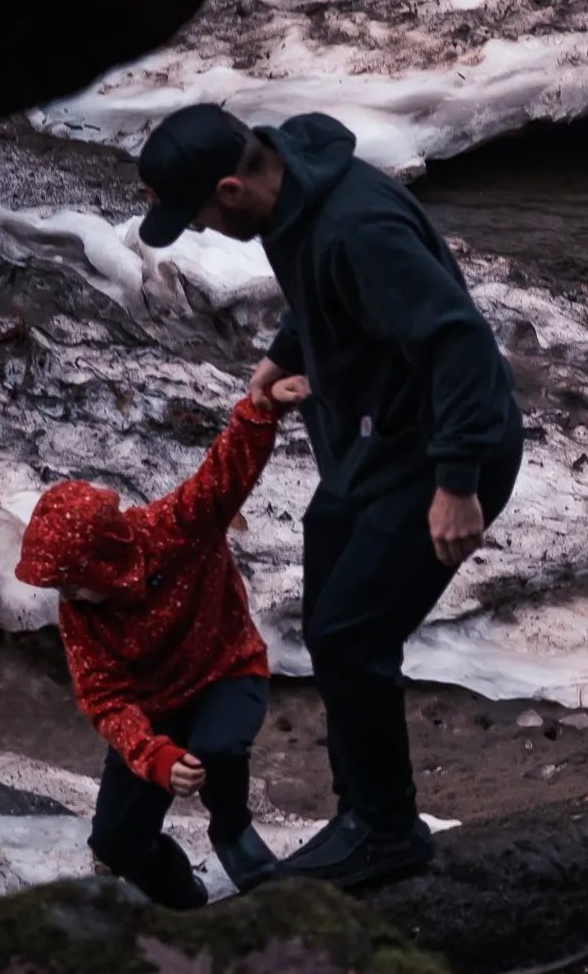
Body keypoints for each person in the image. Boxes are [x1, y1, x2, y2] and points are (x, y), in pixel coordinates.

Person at [136, 103, 523, 888]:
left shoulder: (356, 226)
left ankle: (386, 829)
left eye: (203, 214)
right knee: (330, 620)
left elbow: (460, 342)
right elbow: (319, 293)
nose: (204, 229)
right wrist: (283, 353)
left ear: (231, 186)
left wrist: (457, 484)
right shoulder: (291, 198)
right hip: (371, 448)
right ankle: (359, 813)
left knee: (352, 636)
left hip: (441, 449)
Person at [15, 377, 308, 908]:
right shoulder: (78, 609)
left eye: (74, 579)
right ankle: (183, 900)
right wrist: (152, 755)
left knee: (218, 748)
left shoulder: (175, 529)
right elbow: (102, 696)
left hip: (227, 671)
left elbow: (224, 477)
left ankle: (233, 833)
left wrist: (259, 411)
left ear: (106, 559)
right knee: (115, 842)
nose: (66, 594)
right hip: (155, 711)